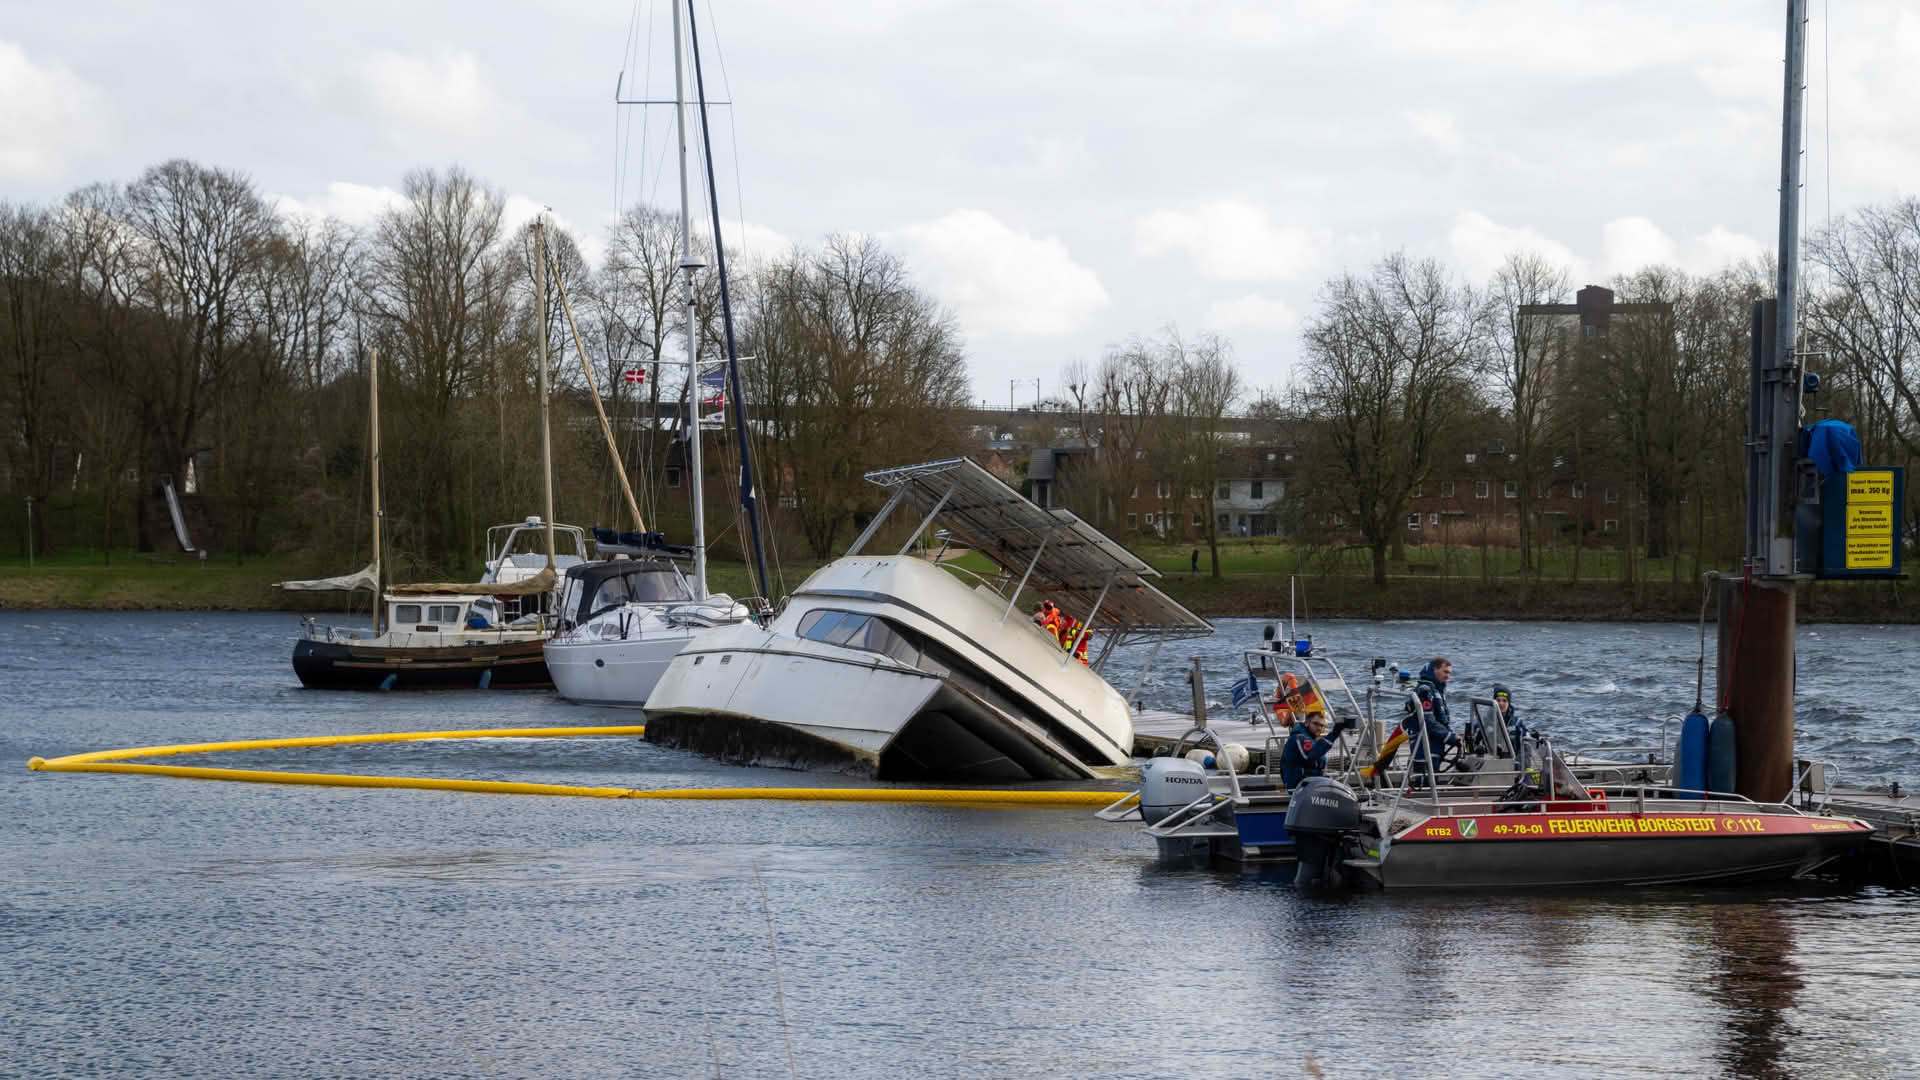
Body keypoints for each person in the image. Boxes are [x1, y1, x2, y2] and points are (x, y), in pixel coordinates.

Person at [1403, 656, 1459, 778]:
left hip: (1434, 744)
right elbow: (1428, 721)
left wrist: (1453, 736)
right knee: (1424, 781)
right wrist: (1450, 737)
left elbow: (1441, 720)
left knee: (1432, 778)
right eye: (1445, 672)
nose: (1448, 676)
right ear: (1435, 670)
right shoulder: (1425, 691)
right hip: (1425, 746)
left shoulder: (1436, 690)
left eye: (1449, 673)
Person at [1279, 711, 1355, 788]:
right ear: (1307, 723)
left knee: (1342, 787)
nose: (1319, 728)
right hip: (1298, 785)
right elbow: (1312, 754)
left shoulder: (1309, 738)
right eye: (1315, 724)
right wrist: (1334, 734)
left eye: (1322, 726)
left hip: (1307, 782)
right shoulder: (1299, 738)